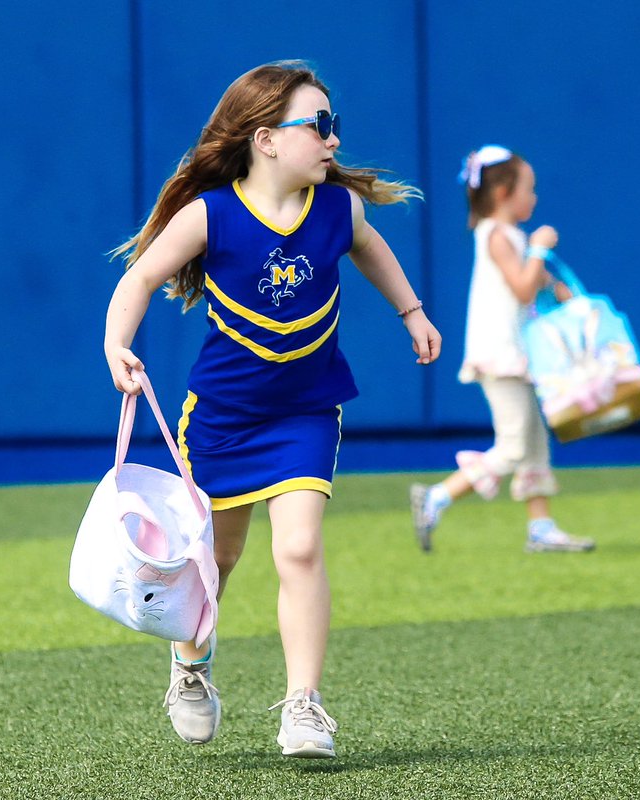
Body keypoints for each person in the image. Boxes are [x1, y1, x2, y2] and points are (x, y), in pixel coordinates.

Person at [104, 60, 441, 758]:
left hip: (306, 414)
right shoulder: (211, 214)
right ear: (265, 139)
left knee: (299, 547)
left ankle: (304, 706)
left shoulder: (337, 210)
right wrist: (116, 344)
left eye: (334, 126)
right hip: (222, 420)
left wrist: (411, 312)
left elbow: (374, 252)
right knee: (215, 562)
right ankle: (190, 670)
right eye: (318, 126)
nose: (333, 141)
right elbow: (140, 277)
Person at [409, 145, 594, 555]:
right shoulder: (496, 234)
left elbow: (534, 282)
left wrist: (556, 285)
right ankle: (437, 496)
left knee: (533, 443)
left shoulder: (507, 235)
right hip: (501, 354)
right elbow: (522, 285)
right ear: (502, 194)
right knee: (513, 445)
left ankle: (541, 527)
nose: (534, 197)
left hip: (518, 354)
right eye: (528, 189)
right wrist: (542, 249)